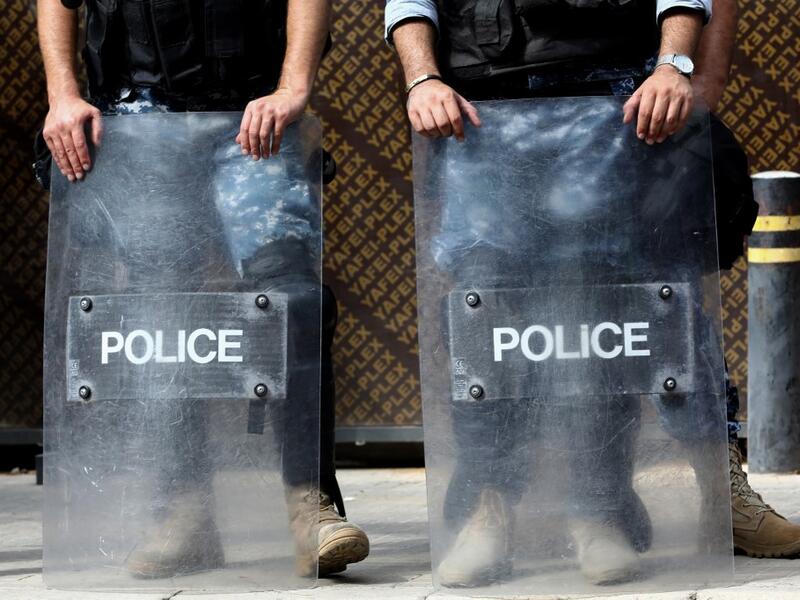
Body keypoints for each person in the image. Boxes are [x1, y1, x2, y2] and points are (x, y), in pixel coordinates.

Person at [386, 0, 800, 587]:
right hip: (483, 104)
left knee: (613, 311)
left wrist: (679, 67)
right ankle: (488, 514)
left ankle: (600, 513)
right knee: (486, 316)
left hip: (613, 98)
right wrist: (422, 77)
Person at [37, 0, 369, 577]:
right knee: (159, 314)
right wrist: (63, 95)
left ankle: (307, 506)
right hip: (138, 117)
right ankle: (183, 513)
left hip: (252, 117)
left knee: (296, 301)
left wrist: (294, 88)